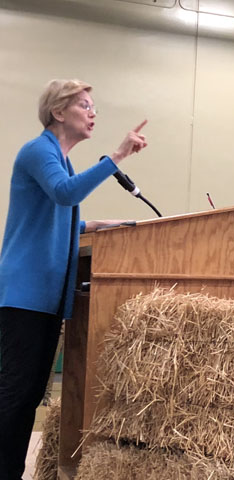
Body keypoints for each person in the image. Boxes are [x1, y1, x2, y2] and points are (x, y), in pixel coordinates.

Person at [0, 79, 148, 480]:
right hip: (25, 294)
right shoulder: (38, 151)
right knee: (14, 398)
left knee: (28, 396)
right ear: (58, 112)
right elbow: (64, 195)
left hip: (45, 296)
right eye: (84, 105)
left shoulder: (60, 160)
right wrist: (116, 156)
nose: (93, 112)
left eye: (93, 105)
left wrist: (97, 225)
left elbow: (57, 216)